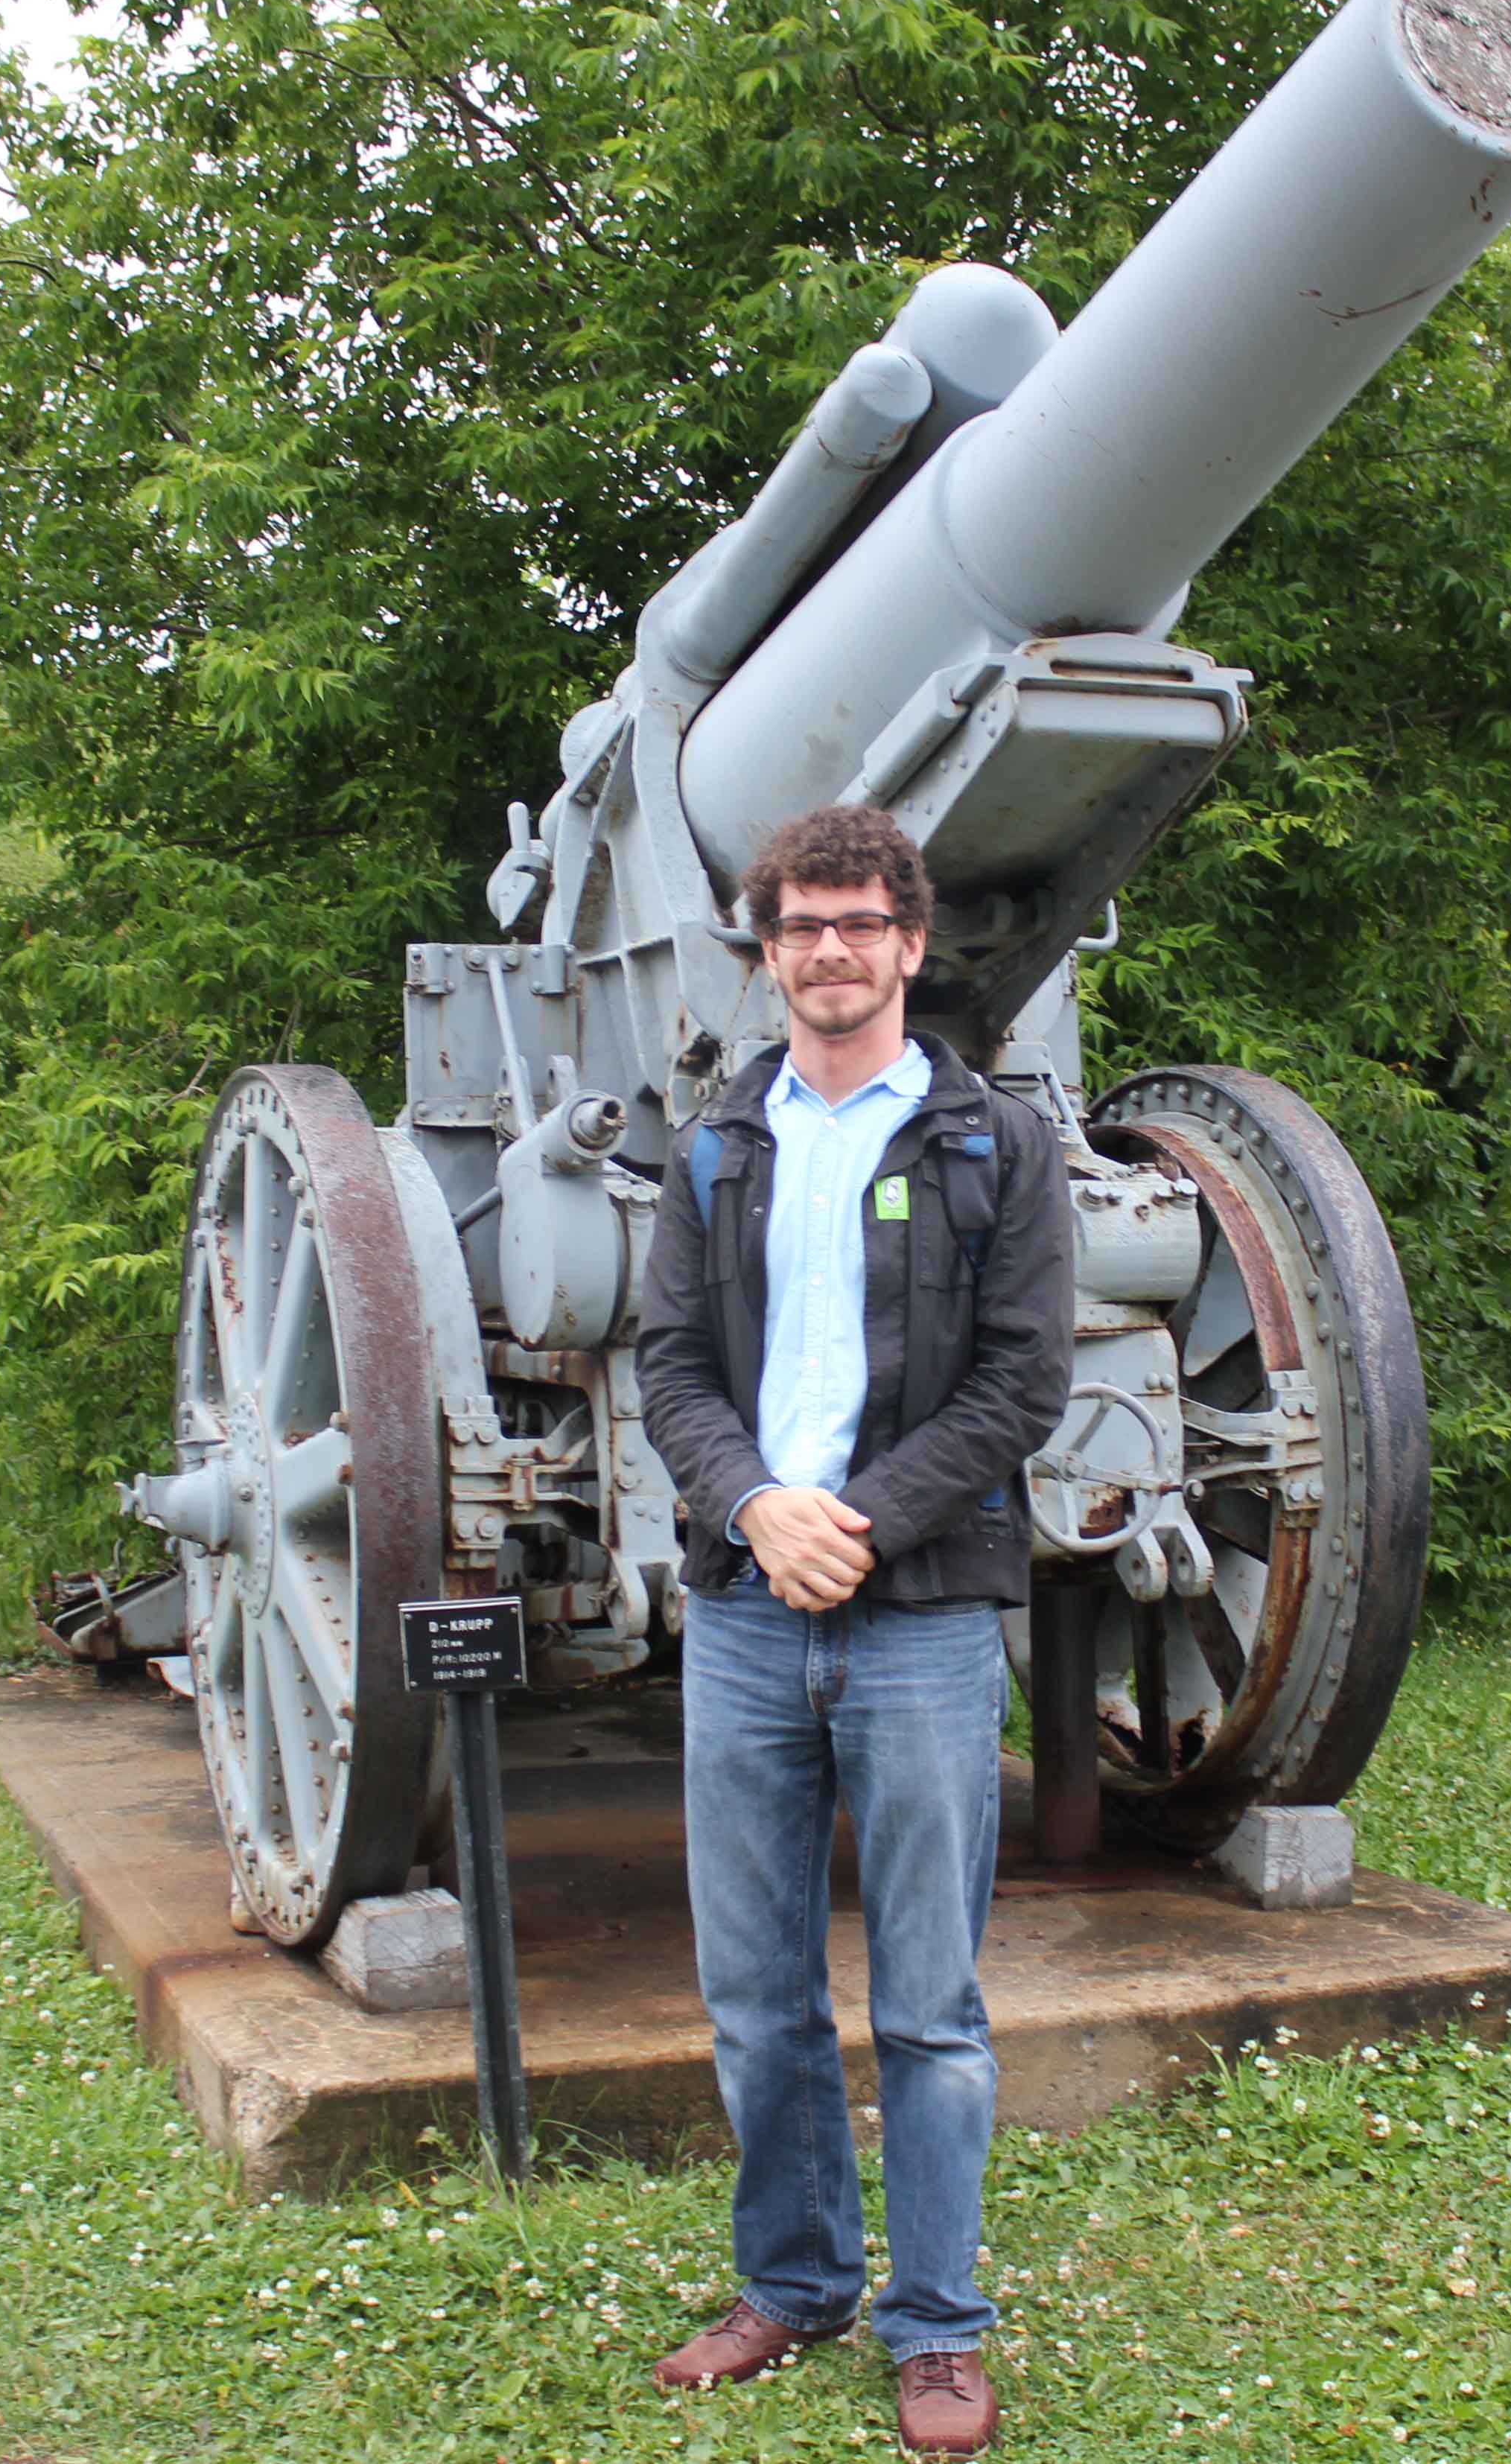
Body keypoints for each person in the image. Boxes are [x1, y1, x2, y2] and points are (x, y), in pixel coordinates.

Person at [635, 804, 1075, 2457]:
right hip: (749, 1612)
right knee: (754, 1987)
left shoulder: (992, 1145)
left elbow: (1025, 1379)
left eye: (858, 922)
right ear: (767, 953)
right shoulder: (716, 1142)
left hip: (918, 1622)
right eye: (799, 924)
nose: (829, 949)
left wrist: (862, 1520)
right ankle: (795, 2281)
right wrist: (757, 1506)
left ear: (908, 941)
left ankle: (939, 2324)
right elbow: (670, 1361)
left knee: (928, 2003)